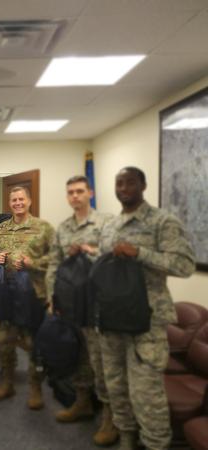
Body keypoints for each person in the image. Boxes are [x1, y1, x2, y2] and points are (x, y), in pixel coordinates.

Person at [98, 167, 195, 450]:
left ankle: (154, 445)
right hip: (112, 319)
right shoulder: (111, 225)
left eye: (130, 182)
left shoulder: (163, 222)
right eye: (119, 183)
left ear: (143, 185)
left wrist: (140, 252)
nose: (124, 187)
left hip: (147, 322)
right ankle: (126, 439)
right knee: (116, 386)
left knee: (146, 395)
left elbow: (184, 265)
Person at [45, 176, 117, 446]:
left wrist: (89, 249)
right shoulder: (64, 228)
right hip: (71, 303)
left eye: (79, 191)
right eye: (70, 192)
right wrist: (53, 297)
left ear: (90, 193)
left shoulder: (107, 223)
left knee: (101, 362)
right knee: (78, 356)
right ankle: (83, 402)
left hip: (98, 306)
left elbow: (116, 259)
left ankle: (110, 417)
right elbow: (55, 263)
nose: (75, 196)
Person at [0, 186, 54, 409]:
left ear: (29, 201)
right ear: (10, 203)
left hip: (32, 295)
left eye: (21, 199)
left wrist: (31, 263)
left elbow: (55, 260)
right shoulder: (1, 228)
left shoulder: (43, 228)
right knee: (4, 342)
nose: (17, 203)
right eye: (14, 200)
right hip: (7, 294)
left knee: (33, 343)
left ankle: (35, 388)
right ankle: (7, 383)